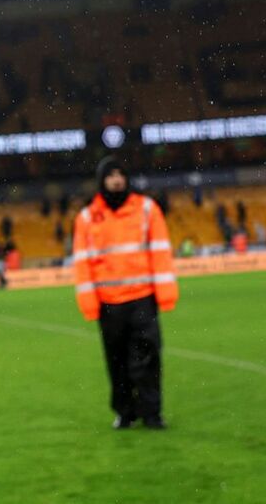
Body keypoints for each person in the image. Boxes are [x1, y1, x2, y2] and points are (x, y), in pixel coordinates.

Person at [72, 156, 178, 430]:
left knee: (149, 358)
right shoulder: (87, 217)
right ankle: (125, 413)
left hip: (142, 299)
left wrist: (165, 294)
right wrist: (88, 303)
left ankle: (152, 413)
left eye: (120, 174)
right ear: (102, 181)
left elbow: (160, 252)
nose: (116, 180)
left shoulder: (147, 209)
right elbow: (82, 263)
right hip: (109, 304)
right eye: (111, 175)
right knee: (116, 362)